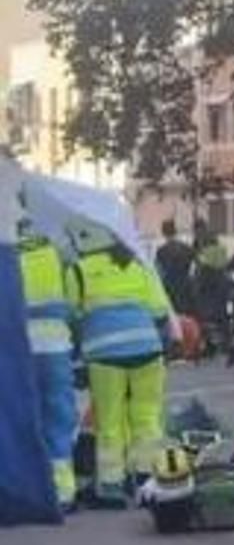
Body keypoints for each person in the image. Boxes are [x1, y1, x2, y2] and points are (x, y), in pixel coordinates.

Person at [66, 219, 172, 508]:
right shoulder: (137, 265)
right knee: (146, 417)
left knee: (109, 420)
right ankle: (145, 480)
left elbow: (71, 316)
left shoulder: (78, 271)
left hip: (105, 355)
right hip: (148, 350)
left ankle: (111, 487)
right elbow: (160, 312)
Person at [18, 214, 78, 510]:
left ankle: (29, 489)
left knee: (22, 418)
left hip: (19, 349)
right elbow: (73, 297)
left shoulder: (7, 253)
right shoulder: (56, 248)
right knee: (59, 417)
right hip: (55, 345)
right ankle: (63, 491)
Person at [192, 221, 230, 354]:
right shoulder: (221, 250)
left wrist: (196, 287)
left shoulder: (203, 251)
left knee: (202, 316)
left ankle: (207, 345)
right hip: (222, 288)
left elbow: (200, 270)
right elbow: (225, 267)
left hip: (207, 289)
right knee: (222, 317)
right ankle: (226, 344)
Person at [155, 219, 196, 316]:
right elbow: (194, 269)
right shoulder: (188, 248)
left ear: (163, 232)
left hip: (169, 290)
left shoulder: (161, 251)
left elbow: (159, 273)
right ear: (175, 231)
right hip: (186, 288)